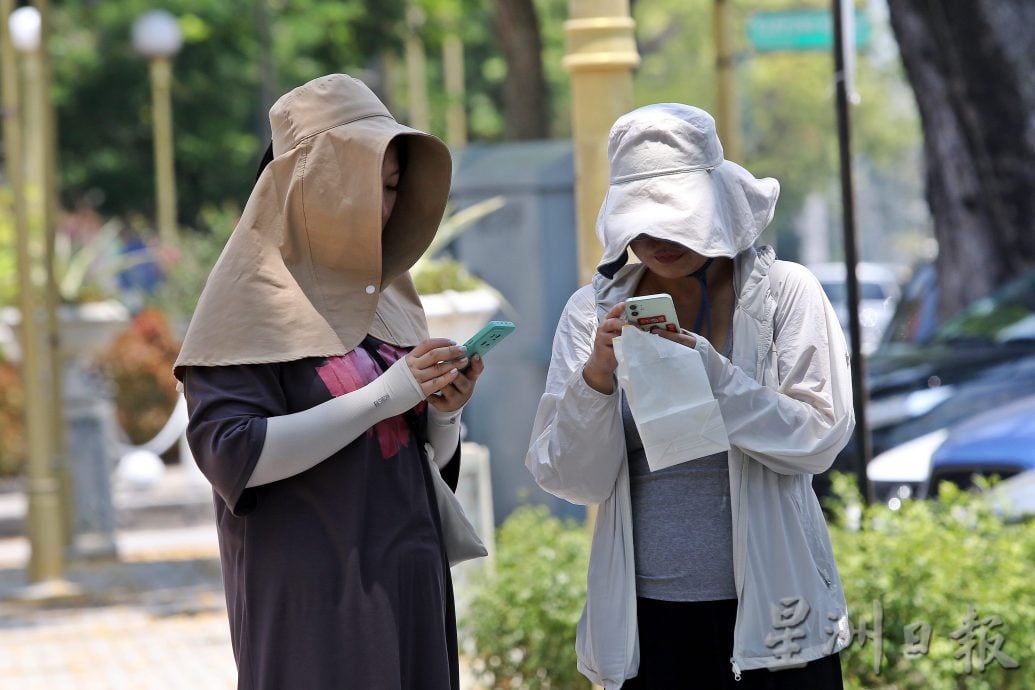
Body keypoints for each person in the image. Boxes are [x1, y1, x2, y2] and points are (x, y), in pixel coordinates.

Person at [525, 103, 855, 689]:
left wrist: (710, 374)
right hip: (645, 629)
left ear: (719, 205)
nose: (657, 238)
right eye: (640, 221)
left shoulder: (784, 295)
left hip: (778, 621)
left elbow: (819, 440)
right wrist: (598, 378)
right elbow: (573, 481)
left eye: (677, 217)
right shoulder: (591, 313)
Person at [173, 74, 483, 690]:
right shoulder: (251, 300)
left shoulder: (388, 294)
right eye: (368, 185)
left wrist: (443, 412)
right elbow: (234, 452)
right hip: (316, 605)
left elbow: (421, 463)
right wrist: (385, 396)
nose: (387, 207)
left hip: (409, 585)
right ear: (309, 185)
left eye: (395, 187)